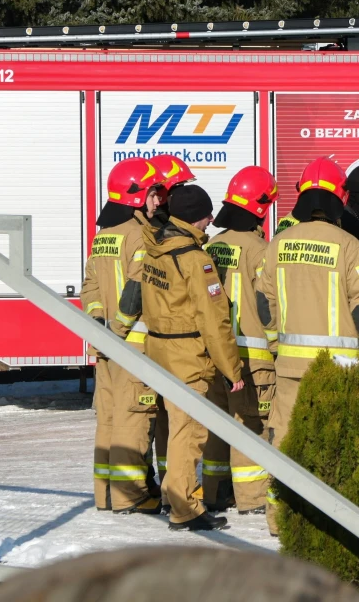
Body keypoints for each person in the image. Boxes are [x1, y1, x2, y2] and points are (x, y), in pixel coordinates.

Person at [255, 156, 359, 534]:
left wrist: (277, 342)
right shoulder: (349, 246)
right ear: (338, 196)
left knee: (286, 437)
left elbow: (264, 302)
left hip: (291, 365)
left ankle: (279, 518)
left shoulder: (278, 244)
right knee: (337, 438)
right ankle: (332, 520)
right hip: (338, 368)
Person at [141, 183, 244, 531]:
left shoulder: (155, 248)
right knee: (188, 433)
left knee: (172, 430)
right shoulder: (195, 260)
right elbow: (214, 322)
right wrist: (233, 369)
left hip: (158, 351)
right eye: (205, 216)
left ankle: (174, 496)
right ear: (193, 218)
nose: (210, 221)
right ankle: (185, 509)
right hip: (187, 356)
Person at [81, 157, 163, 514]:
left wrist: (100, 326)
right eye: (152, 194)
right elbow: (136, 286)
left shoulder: (102, 238)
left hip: (105, 347)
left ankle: (105, 495)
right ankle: (132, 497)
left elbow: (90, 290)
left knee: (109, 419)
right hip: (131, 346)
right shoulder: (139, 235)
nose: (158, 200)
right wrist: (119, 330)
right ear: (135, 197)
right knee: (134, 419)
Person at [202, 167, 280, 515]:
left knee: (217, 424)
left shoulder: (212, 245)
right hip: (252, 355)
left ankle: (215, 492)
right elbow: (267, 305)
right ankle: (251, 499)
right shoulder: (260, 249)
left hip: (215, 353)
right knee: (251, 425)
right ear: (260, 207)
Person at [140, 153, 195, 495]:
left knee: (165, 420)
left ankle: (165, 486)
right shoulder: (150, 233)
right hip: (157, 339)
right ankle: (171, 490)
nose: (180, 196)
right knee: (167, 421)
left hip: (155, 340)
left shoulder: (156, 229)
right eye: (176, 188)